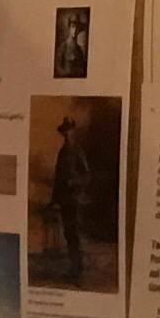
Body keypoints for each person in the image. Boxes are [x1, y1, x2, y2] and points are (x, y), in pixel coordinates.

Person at [49, 108, 92, 280]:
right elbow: (58, 178)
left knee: (74, 233)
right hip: (65, 200)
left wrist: (75, 183)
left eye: (69, 130)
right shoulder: (62, 152)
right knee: (68, 234)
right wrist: (54, 200)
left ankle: (78, 268)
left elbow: (87, 175)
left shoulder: (77, 151)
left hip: (74, 199)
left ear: (73, 131)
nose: (67, 134)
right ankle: (74, 267)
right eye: (65, 131)